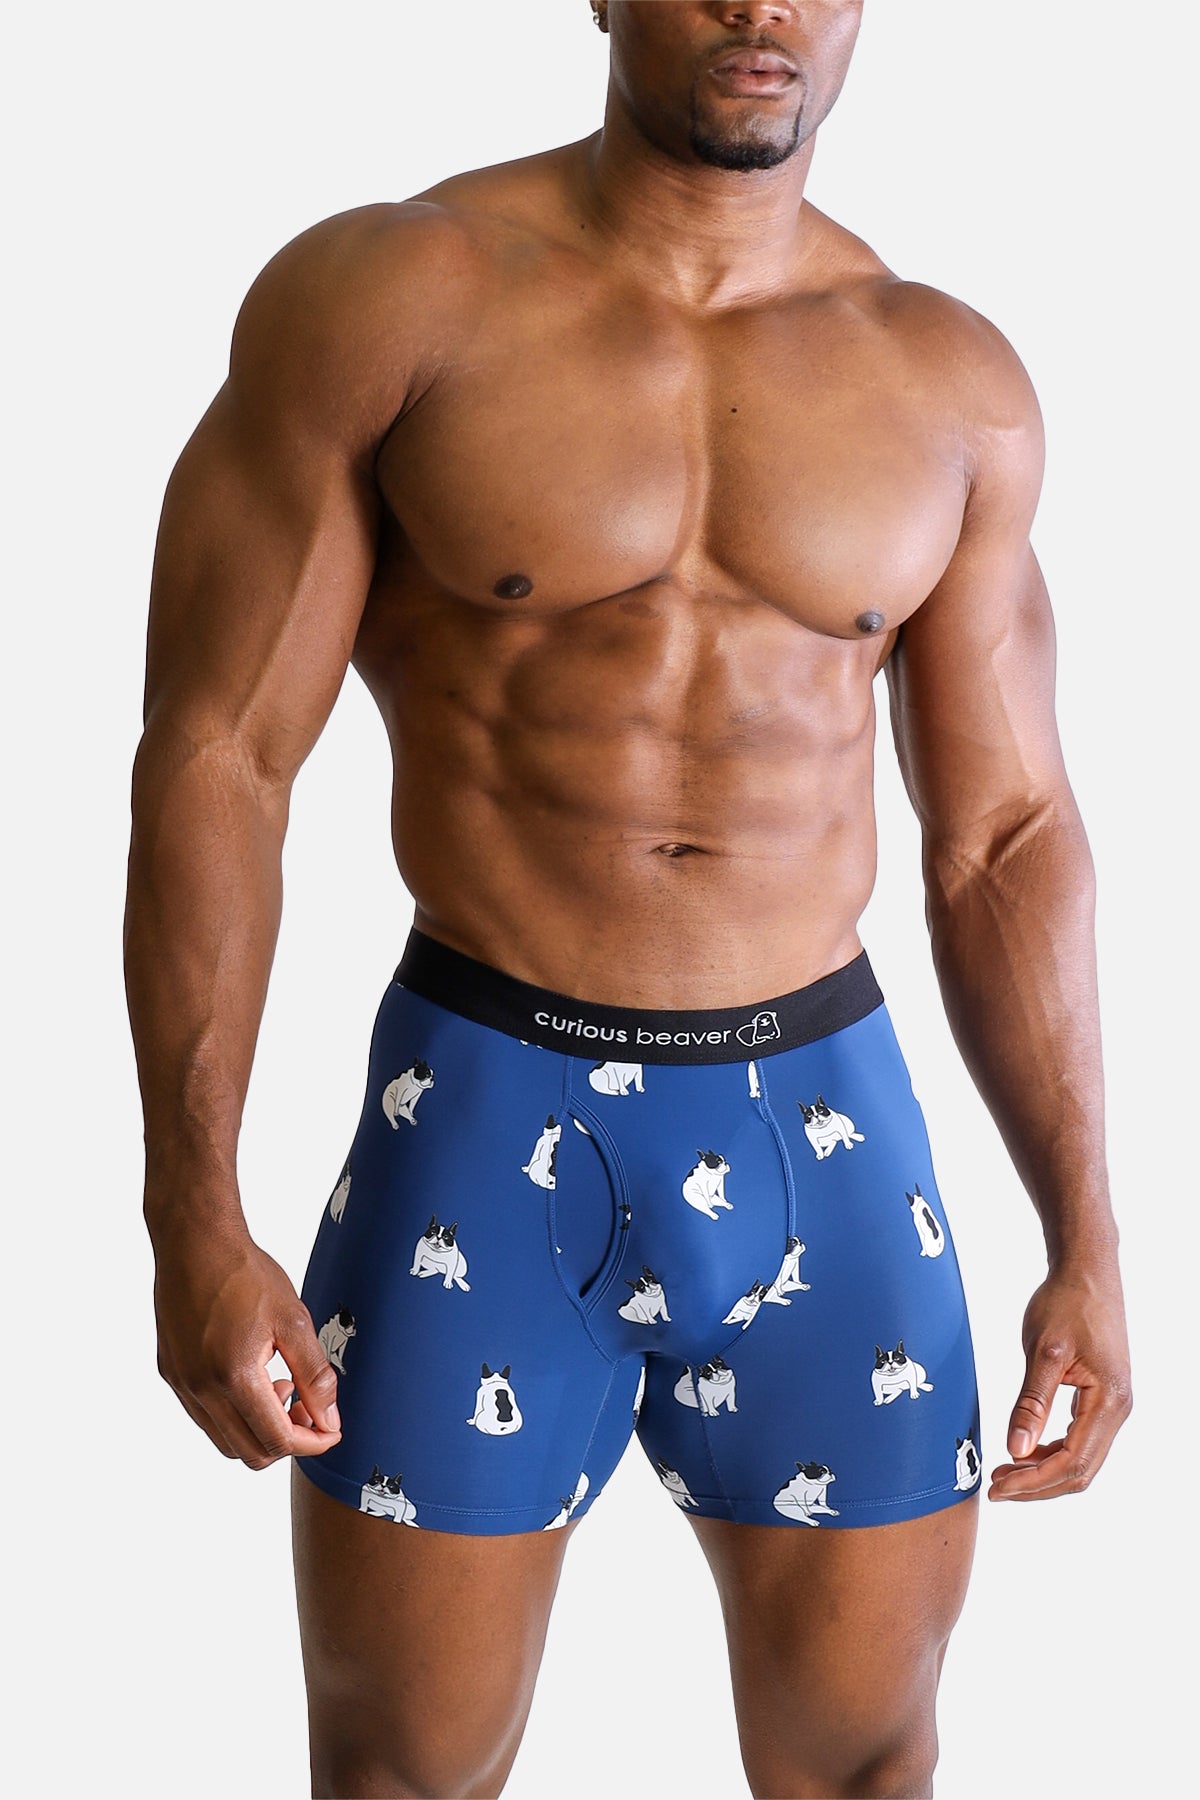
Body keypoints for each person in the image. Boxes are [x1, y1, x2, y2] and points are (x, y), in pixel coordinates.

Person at [123, 3, 1132, 1795]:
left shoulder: (947, 383)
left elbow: (1004, 833)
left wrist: (1091, 1235)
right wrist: (188, 1209)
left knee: (865, 1764)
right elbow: (220, 758)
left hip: (825, 1134)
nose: (764, 6)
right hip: (482, 1111)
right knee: (400, 1772)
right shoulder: (395, 302)